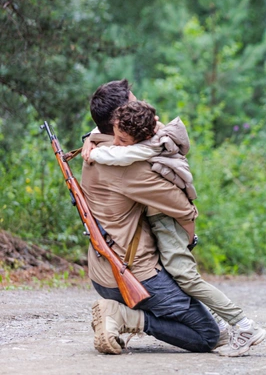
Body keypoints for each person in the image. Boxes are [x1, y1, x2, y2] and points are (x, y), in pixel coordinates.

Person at [87, 99, 266, 357]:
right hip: (152, 236)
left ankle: (244, 325)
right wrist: (90, 139)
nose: (116, 142)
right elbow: (112, 140)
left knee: (188, 279)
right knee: (183, 279)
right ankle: (230, 324)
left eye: (122, 139)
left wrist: (92, 149)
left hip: (163, 225)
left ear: (139, 138)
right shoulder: (147, 134)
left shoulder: (141, 154)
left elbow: (121, 154)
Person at [82, 80, 220, 355]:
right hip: (134, 276)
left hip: (101, 272)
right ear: (120, 118)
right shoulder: (131, 167)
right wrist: (190, 237)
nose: (143, 108)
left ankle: (124, 313)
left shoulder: (96, 147)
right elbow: (182, 207)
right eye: (134, 103)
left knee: (189, 310)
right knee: (207, 335)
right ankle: (125, 316)